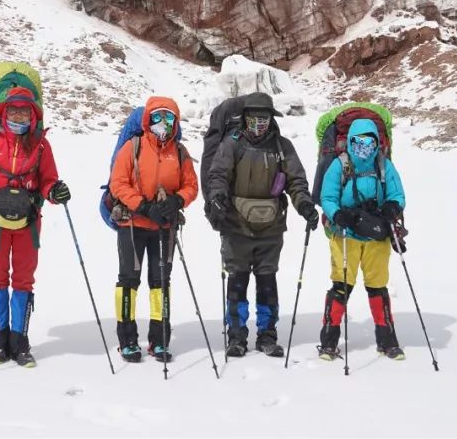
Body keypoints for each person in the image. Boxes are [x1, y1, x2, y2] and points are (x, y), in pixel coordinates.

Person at [0, 87, 70, 368]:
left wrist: (54, 190)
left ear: (33, 115)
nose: (18, 115)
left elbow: (47, 180)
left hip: (28, 224)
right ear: (3, 112)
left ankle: (20, 342)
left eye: (24, 111)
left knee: (23, 279)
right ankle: (0, 340)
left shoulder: (42, 146)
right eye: (13, 110)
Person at [205, 92, 317, 358]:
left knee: (267, 281)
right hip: (236, 225)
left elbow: (296, 181)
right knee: (238, 280)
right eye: (254, 117)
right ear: (244, 118)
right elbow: (218, 174)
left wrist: (304, 205)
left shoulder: (283, 147)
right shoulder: (231, 144)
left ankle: (267, 336)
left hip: (271, 228)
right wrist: (217, 198)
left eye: (264, 118)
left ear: (271, 119)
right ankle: (236, 336)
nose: (259, 123)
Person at [107, 97, 198, 363]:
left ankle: (159, 340)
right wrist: (143, 207)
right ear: (148, 119)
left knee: (160, 283)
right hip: (132, 225)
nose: (163, 124)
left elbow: (191, 185)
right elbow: (118, 183)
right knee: (128, 281)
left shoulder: (179, 152)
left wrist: (176, 201)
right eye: (158, 117)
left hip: (164, 228)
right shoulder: (132, 147)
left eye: (169, 118)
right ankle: (127, 340)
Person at [318, 118, 407, 360]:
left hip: (377, 234)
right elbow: (327, 196)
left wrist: (392, 207)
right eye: (358, 141)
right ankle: (329, 340)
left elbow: (398, 194)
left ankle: (387, 340)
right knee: (341, 285)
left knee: (377, 286)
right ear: (350, 141)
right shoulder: (340, 165)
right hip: (345, 234)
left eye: (369, 141)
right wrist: (337, 214)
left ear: (377, 142)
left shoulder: (383, 165)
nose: (363, 146)